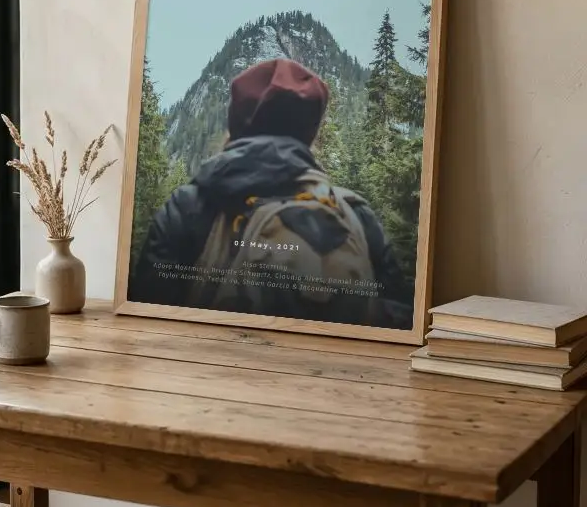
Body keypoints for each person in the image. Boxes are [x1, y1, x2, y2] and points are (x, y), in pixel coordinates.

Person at [130, 58, 413, 328]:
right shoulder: (355, 214)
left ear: (236, 122)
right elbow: (398, 320)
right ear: (310, 133)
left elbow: (149, 313)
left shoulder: (190, 206)